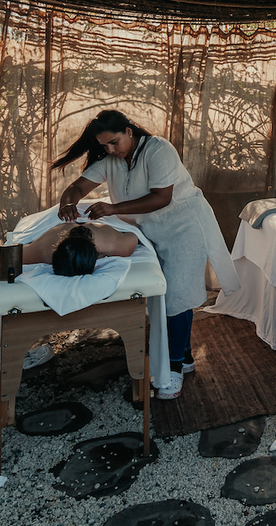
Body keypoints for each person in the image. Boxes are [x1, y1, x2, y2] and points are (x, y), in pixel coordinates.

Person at [52, 109, 237, 400]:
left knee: (177, 295)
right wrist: (68, 203)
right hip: (152, 229)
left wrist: (112, 209)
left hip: (185, 225)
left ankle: (172, 368)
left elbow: (161, 197)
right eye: (104, 146)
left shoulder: (158, 149)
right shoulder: (111, 160)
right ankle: (184, 356)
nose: (110, 150)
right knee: (169, 295)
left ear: (129, 131)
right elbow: (77, 187)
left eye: (114, 142)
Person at [20, 221, 140, 275]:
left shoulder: (113, 243)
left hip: (98, 219)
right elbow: (15, 253)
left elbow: (134, 232)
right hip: (59, 221)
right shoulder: (45, 249)